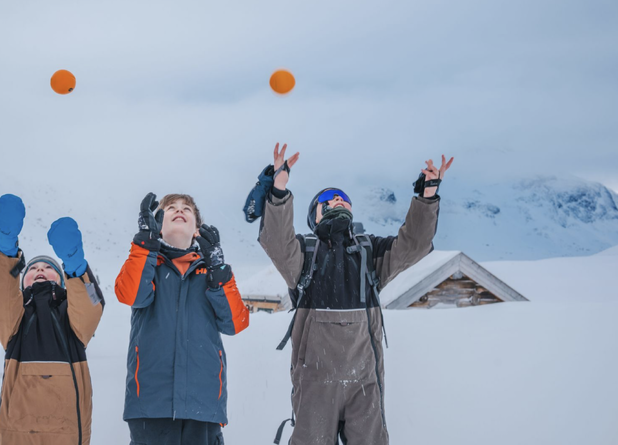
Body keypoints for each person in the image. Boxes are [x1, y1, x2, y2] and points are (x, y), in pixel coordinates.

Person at [258, 144, 453, 445]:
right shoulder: (305, 253)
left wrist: (427, 197)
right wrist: (279, 191)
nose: (337, 199)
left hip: (365, 380)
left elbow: (412, 245)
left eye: (344, 198)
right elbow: (277, 243)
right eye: (327, 198)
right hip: (315, 381)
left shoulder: (369, 250)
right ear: (314, 216)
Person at [115, 192, 250, 445]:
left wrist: (218, 269)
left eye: (187, 209)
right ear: (158, 224)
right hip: (150, 405)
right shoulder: (147, 264)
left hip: (203, 404)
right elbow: (130, 294)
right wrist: (145, 241)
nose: (180, 210)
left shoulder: (211, 272)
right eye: (171, 208)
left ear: (197, 228)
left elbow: (235, 322)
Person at [0, 194, 104, 445]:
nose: (40, 270)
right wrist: (6, 250)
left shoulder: (71, 317)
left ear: (61, 279)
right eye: (34, 269)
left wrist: (76, 267)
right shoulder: (15, 317)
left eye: (49, 268)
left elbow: (92, 305)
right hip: (18, 432)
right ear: (22, 280)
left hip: (69, 431)